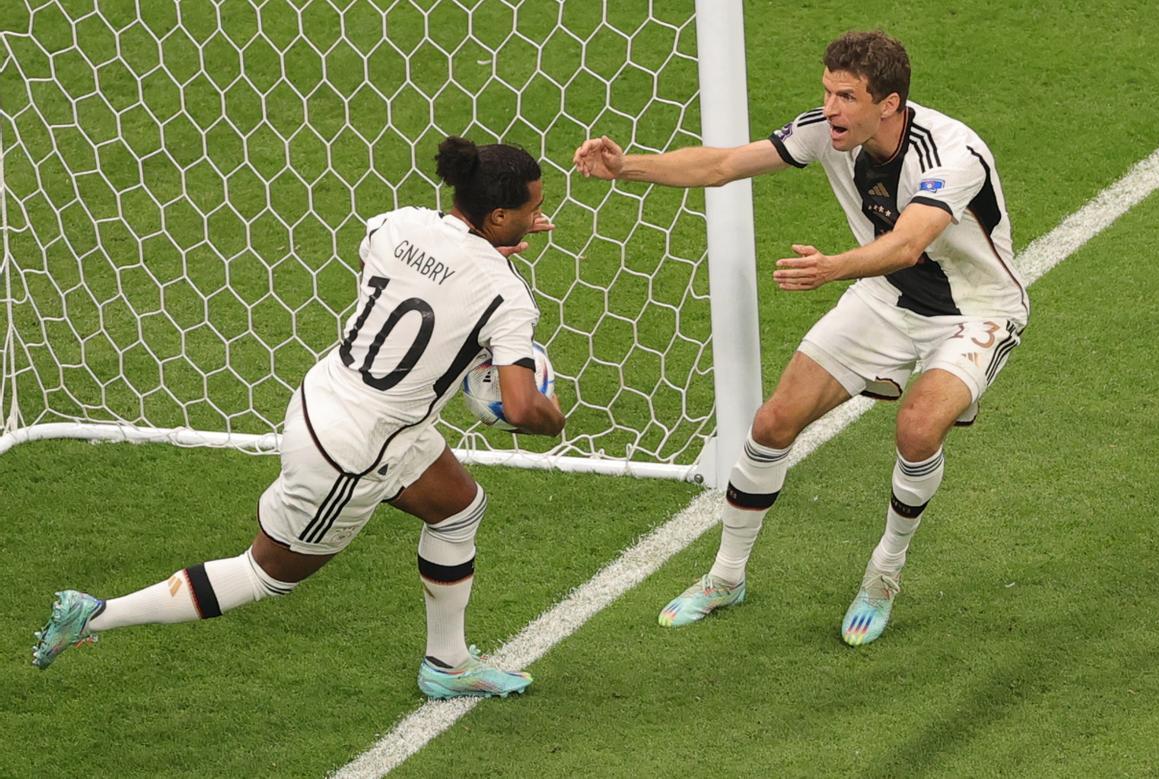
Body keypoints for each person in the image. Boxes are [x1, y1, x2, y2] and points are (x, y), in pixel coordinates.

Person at [33, 136, 566, 697]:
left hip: (331, 396)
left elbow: (382, 264)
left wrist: (476, 259)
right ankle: (93, 615)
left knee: (459, 510)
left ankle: (448, 665)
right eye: (532, 212)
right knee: (264, 574)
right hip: (356, 451)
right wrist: (552, 419)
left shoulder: (399, 223)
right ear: (498, 214)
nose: (537, 221)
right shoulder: (506, 298)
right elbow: (524, 404)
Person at [573, 30, 1027, 646]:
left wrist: (831, 268)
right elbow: (723, 164)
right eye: (827, 91)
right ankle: (726, 576)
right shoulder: (827, 132)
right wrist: (625, 167)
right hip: (886, 297)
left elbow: (908, 243)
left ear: (888, 105)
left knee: (918, 429)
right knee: (772, 422)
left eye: (846, 96)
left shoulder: (951, 153)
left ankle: (883, 573)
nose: (831, 108)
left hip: (974, 312)